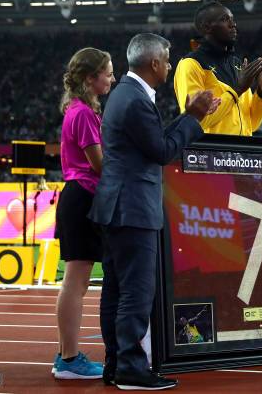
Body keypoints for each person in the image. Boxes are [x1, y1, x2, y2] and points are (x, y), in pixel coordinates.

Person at [88, 33, 220, 391]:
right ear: (155, 64)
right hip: (132, 208)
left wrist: (187, 117)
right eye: (168, 58)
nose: (171, 64)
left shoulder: (127, 95)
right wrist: (193, 118)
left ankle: (116, 364)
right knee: (135, 291)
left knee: (116, 290)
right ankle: (131, 367)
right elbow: (162, 150)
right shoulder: (134, 100)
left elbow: (153, 140)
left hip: (116, 206)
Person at [53, 47, 115, 379]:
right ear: (91, 78)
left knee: (77, 282)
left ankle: (67, 353)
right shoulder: (84, 114)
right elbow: (100, 165)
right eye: (107, 72)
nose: (112, 78)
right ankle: (68, 358)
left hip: (80, 198)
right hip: (83, 198)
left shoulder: (79, 110)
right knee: (75, 282)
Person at [174, 1, 262, 136]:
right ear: (206, 27)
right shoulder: (191, 64)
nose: (233, 24)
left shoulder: (237, 64)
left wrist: (261, 94)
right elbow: (195, 122)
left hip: (242, 153)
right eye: (224, 19)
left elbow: (252, 124)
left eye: (232, 20)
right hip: (210, 154)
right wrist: (237, 90)